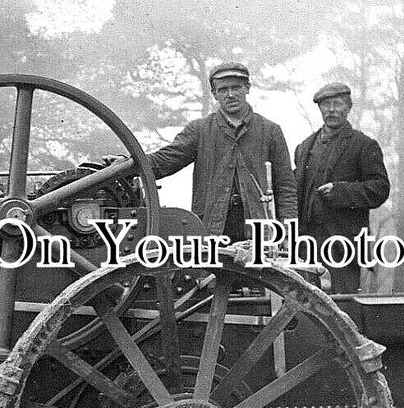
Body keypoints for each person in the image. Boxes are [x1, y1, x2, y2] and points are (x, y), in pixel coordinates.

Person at [147, 61, 297, 242]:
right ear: (214, 94)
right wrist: (129, 163)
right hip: (212, 226)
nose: (230, 95)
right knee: (211, 270)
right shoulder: (199, 130)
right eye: (223, 90)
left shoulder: (270, 131)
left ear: (247, 88)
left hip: (258, 229)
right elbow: (166, 160)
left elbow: (285, 185)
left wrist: (287, 230)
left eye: (236, 88)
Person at [294, 82, 390, 293]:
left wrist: (341, 192)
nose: (332, 110)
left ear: (349, 107)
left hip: (342, 245)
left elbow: (380, 188)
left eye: (337, 104)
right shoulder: (304, 147)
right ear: (320, 108)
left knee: (342, 309)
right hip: (304, 245)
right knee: (302, 307)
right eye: (326, 104)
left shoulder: (363, 145)